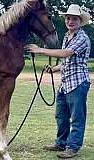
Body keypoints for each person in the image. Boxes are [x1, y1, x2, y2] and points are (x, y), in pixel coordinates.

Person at [25, 4, 91, 159]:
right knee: (61, 116)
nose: (70, 21)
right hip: (65, 84)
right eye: (68, 18)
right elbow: (68, 60)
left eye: (74, 19)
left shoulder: (82, 38)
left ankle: (73, 148)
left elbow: (66, 53)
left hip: (78, 83)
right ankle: (61, 143)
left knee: (77, 118)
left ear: (80, 21)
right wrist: (54, 69)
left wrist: (40, 50)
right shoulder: (68, 36)